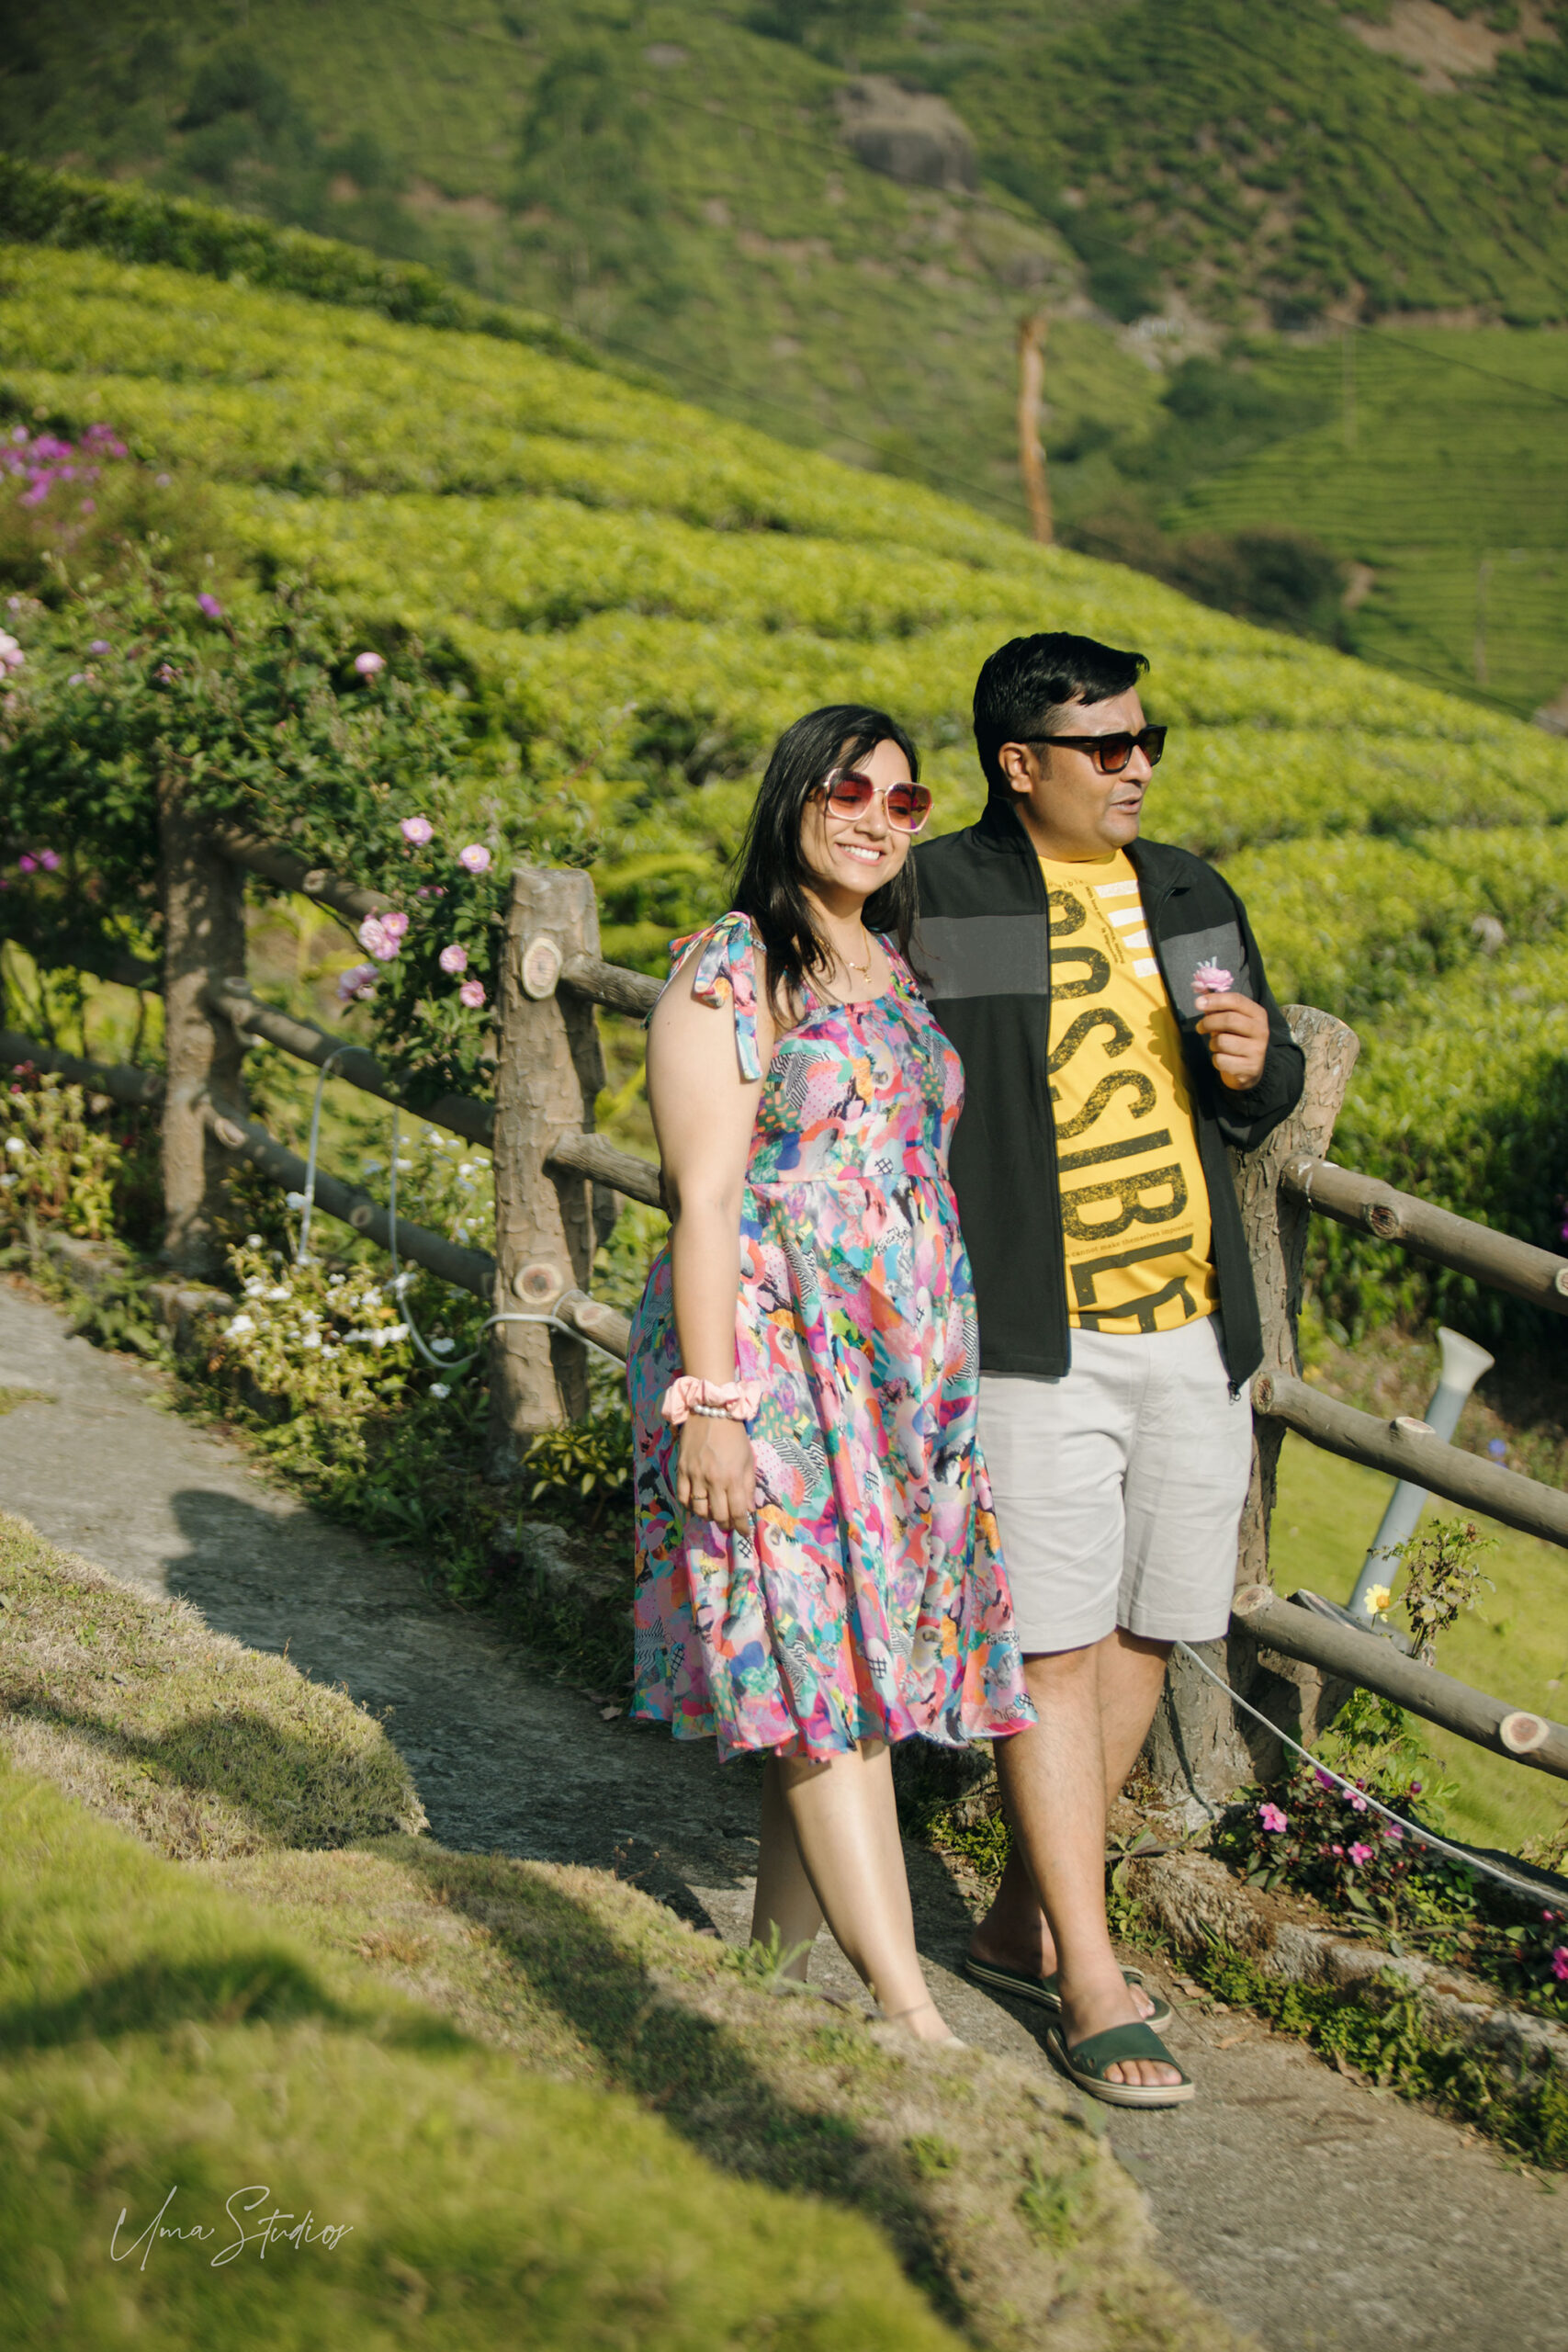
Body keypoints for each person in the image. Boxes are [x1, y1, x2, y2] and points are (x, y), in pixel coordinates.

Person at [914, 632, 1304, 2105]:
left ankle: (1023, 1916)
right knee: (1054, 1642)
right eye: (1106, 747)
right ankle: (1091, 1975)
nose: (1137, 766)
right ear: (1023, 765)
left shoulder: (1193, 894)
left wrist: (1263, 1064)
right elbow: (933, 1056)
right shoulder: (955, 891)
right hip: (1035, 1333)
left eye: (1150, 741)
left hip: (1193, 1331)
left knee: (1150, 1622)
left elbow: (1258, 1097)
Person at [627, 702, 1035, 2042]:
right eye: (846, 792)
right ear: (793, 800)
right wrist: (714, 1406)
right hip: (769, 1361)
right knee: (818, 1677)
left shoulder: (890, 964)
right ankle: (911, 2017)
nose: (874, 817)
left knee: (844, 1675)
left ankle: (759, 1988)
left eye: (901, 801)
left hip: (894, 1386)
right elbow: (706, 1198)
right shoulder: (734, 964)